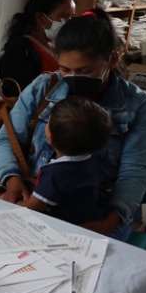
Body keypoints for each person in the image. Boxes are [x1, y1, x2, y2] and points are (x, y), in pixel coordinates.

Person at [0, 9, 146, 240]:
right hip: (36, 196)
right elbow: (6, 139)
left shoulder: (139, 106)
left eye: (84, 70)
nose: (72, 77)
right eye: (64, 69)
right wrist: (11, 180)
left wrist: (109, 222)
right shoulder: (44, 87)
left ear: (112, 59)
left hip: (97, 211)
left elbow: (134, 173)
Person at [24, 96, 112, 226]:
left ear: (50, 137)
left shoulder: (54, 174)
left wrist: (18, 201)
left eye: (48, 121)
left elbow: (32, 208)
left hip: (62, 229)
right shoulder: (95, 162)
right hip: (90, 221)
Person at [0, 0, 76, 96]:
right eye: (63, 17)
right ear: (41, 18)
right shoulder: (21, 51)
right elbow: (17, 96)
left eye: (71, 18)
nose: (69, 23)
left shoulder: (56, 47)